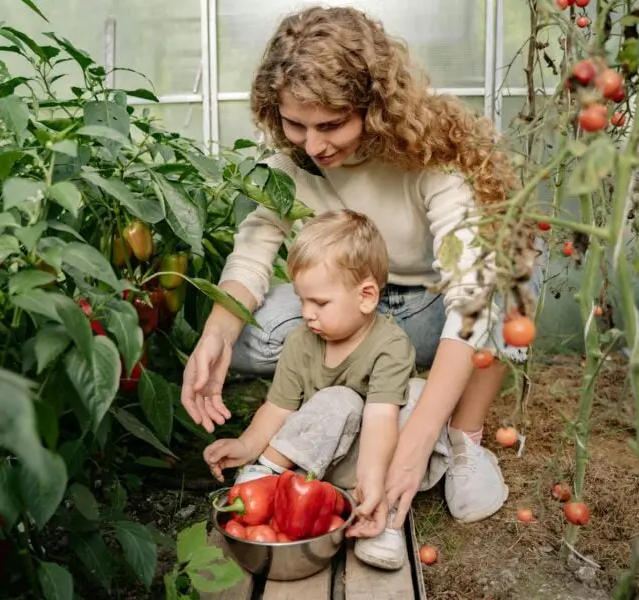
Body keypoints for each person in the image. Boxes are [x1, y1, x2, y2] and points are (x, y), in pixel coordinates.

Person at [182, 4, 545, 557]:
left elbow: (472, 294)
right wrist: (215, 334)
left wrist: (417, 441)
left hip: (431, 303)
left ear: (373, 108)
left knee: (514, 271)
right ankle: (358, 407)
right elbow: (254, 250)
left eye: (331, 125)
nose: (312, 144)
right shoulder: (295, 160)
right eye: (294, 123)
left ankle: (463, 437)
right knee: (252, 337)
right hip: (361, 305)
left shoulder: (432, 156)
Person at [203, 209, 436, 570]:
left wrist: (371, 480)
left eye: (320, 303)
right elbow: (278, 408)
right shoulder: (301, 342)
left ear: (367, 296)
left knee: (420, 397)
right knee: (339, 400)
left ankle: (383, 512)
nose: (307, 314)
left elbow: (380, 419)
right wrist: (247, 446)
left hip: (371, 459)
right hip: (316, 460)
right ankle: (267, 476)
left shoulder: (391, 344)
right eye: (302, 300)